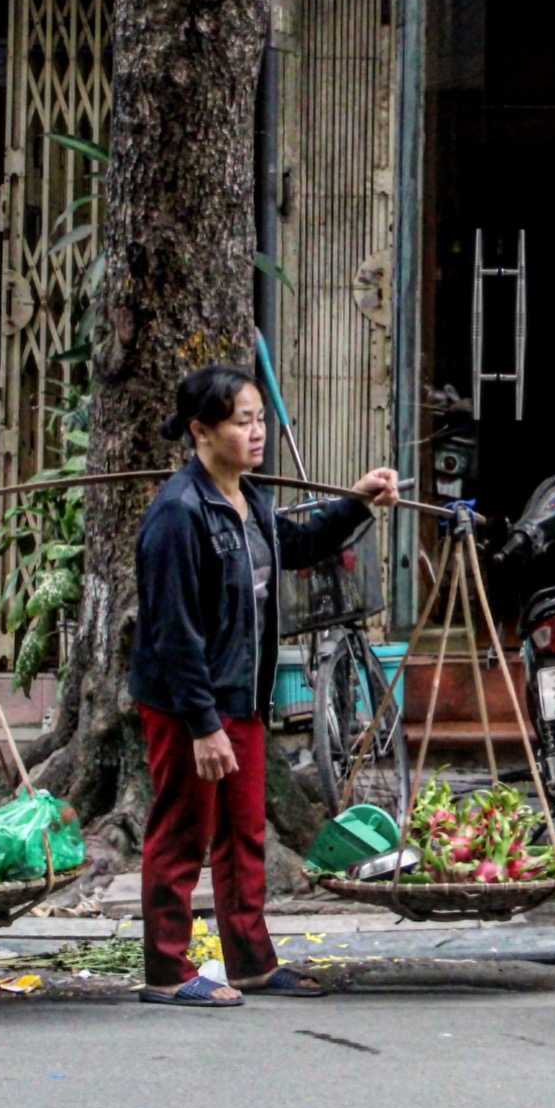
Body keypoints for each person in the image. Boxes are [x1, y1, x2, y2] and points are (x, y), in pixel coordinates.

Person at [129, 364, 399, 1008]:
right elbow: (174, 632)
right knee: (180, 834)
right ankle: (165, 971)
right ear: (201, 431)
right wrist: (202, 725)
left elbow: (301, 546)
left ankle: (249, 960)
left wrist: (355, 501)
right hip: (187, 704)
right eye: (242, 421)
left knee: (244, 832)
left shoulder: (251, 502)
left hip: (243, 699)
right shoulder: (178, 514)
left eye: (260, 420)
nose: (257, 433)